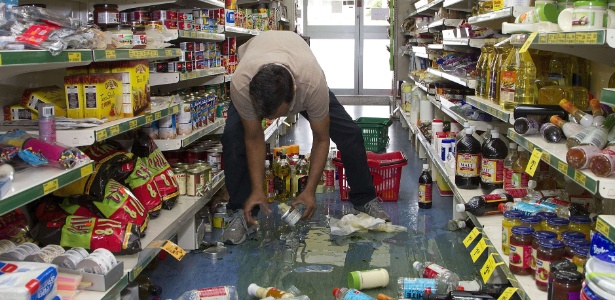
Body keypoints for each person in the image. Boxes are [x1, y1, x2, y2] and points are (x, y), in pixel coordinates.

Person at [221, 31, 390, 245]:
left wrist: (309, 191)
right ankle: (240, 211)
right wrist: (257, 189)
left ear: (293, 92)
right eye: (268, 116)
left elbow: (321, 138)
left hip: (301, 70)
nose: (274, 119)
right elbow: (254, 137)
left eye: (280, 114)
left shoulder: (312, 84)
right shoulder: (242, 85)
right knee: (233, 139)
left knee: (351, 134)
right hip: (257, 66)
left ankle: (365, 199)